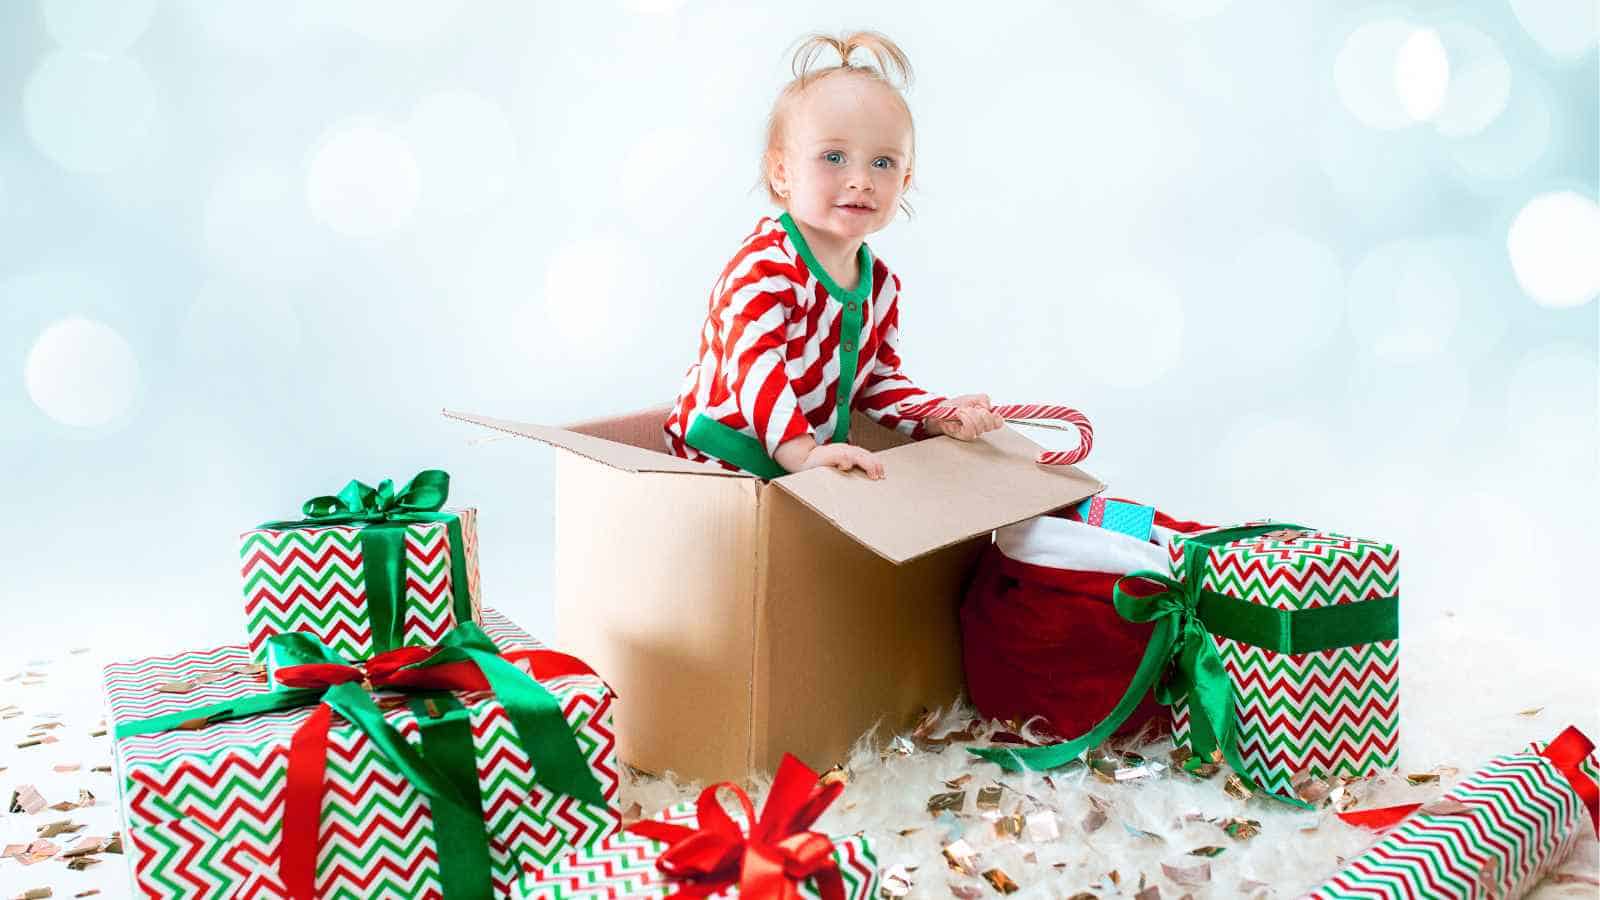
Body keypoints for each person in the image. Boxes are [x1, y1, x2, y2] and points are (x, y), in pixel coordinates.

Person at [662, 30, 1003, 480]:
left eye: (883, 163)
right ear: (782, 173)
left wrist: (934, 415)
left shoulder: (879, 285)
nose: (861, 179)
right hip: (722, 456)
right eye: (834, 157)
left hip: (803, 466)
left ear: (904, 182)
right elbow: (752, 364)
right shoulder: (765, 267)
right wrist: (801, 452)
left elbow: (877, 382)